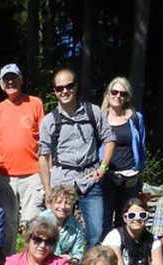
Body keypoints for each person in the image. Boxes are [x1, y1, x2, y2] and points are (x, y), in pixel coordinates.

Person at [38, 67, 116, 248]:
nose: (65, 91)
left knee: (96, 230)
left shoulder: (93, 112)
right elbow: (43, 157)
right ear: (55, 92)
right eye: (59, 88)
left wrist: (103, 167)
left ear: (76, 86)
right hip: (62, 179)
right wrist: (48, 191)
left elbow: (110, 139)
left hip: (90, 177)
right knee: (57, 229)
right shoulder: (49, 121)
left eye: (69, 86)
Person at [0, 64, 44, 257]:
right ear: (1, 84)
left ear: (21, 80)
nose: (10, 82)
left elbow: (45, 141)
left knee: (33, 222)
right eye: (6, 79)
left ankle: (34, 264)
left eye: (14, 78)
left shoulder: (35, 103)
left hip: (33, 174)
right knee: (7, 223)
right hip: (5, 177)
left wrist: (48, 172)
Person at [100, 77, 146, 229]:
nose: (118, 96)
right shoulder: (99, 119)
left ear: (127, 97)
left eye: (122, 93)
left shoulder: (135, 118)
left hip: (130, 179)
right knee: (103, 221)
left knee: (126, 221)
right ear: (108, 94)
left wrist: (139, 169)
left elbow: (142, 146)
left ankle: (124, 252)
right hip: (106, 176)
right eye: (114, 92)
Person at [39, 184, 86, 260]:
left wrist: (73, 260)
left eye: (67, 203)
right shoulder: (40, 220)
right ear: (51, 203)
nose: (63, 207)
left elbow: (78, 252)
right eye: (59, 202)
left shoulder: (76, 226)